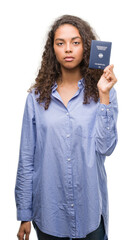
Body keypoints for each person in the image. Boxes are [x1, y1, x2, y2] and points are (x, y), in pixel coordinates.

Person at [15, 15, 118, 240]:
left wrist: (104, 96)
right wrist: (24, 214)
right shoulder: (36, 98)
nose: (68, 49)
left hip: (90, 214)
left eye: (75, 42)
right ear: (53, 49)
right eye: (60, 43)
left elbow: (106, 147)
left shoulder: (104, 94)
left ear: (86, 47)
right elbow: (26, 159)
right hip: (49, 216)